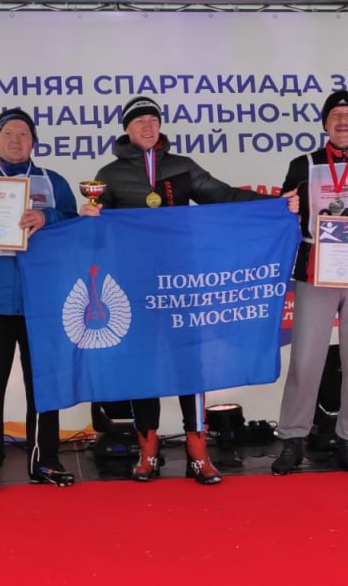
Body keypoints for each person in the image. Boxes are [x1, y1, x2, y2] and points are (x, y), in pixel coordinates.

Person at [80, 95, 298, 485]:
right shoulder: (109, 175)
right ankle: (148, 449)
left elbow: (225, 197)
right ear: (127, 129)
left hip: (182, 283)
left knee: (190, 364)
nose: (148, 127)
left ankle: (198, 451)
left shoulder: (181, 166)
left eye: (153, 120)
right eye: (140, 121)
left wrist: (275, 204)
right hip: (135, 285)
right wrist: (88, 218)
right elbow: (96, 239)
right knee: (143, 366)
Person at [0, 108, 80, 493]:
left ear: (33, 142)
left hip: (43, 300)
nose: (15, 139)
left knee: (44, 385)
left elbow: (74, 228)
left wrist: (47, 218)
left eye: (23, 133)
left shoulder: (52, 182)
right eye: (8, 132)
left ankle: (45, 460)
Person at [271, 91, 348, 477]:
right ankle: (293, 438)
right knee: (306, 361)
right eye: (335, 115)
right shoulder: (303, 165)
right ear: (325, 123)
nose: (342, 120)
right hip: (315, 273)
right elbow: (284, 215)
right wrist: (287, 207)